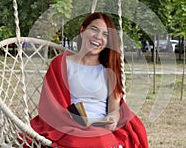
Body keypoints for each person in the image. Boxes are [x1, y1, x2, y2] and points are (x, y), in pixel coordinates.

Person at [29, 12, 148, 148]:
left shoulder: (109, 70)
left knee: (101, 138)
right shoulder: (62, 64)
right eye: (94, 29)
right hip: (69, 124)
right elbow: (51, 106)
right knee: (86, 139)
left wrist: (113, 119)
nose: (98, 37)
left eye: (105, 35)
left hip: (101, 126)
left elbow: (114, 109)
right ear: (82, 31)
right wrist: (73, 124)